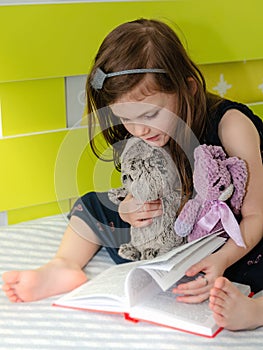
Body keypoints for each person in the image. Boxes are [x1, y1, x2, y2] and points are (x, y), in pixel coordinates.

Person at [2, 19, 263, 308]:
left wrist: (221, 259)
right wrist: (128, 207)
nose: (139, 131)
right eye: (126, 119)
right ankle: (64, 264)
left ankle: (249, 304)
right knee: (95, 206)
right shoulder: (145, 132)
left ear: (187, 88)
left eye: (150, 115)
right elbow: (140, 184)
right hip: (178, 227)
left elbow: (255, 216)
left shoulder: (232, 126)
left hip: (238, 231)